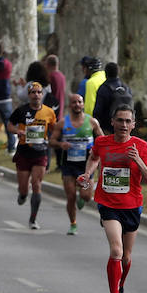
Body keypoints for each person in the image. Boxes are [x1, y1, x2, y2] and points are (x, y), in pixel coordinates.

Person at [78, 104, 147, 293]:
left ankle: (120, 287)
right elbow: (94, 157)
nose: (123, 124)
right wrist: (88, 175)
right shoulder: (102, 142)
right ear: (112, 122)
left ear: (133, 124)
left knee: (126, 257)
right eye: (119, 120)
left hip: (132, 206)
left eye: (127, 121)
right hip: (108, 204)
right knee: (116, 251)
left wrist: (137, 160)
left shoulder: (141, 146)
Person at [50, 93, 102, 234]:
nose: (77, 104)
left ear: (83, 104)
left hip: (86, 165)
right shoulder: (62, 123)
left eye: (79, 102)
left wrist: (95, 148)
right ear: (69, 105)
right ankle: (73, 224)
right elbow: (51, 141)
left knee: (86, 196)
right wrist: (61, 144)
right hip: (69, 165)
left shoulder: (92, 122)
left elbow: (102, 139)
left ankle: (83, 198)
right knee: (71, 196)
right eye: (74, 102)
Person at [7, 82, 58, 229]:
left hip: (40, 153)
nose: (36, 95)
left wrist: (52, 139)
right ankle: (23, 194)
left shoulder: (49, 112)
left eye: (39, 92)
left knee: (36, 184)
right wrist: (18, 131)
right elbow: (10, 125)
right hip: (24, 152)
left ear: (42, 95)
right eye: (33, 92)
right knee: (24, 188)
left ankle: (33, 219)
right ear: (28, 95)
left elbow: (55, 128)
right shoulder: (21, 110)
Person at [92, 62, 132, 135]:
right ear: (118, 73)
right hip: (125, 129)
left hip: (107, 129)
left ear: (105, 73)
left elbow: (97, 112)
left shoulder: (103, 89)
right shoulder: (126, 88)